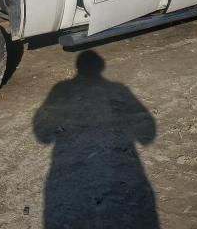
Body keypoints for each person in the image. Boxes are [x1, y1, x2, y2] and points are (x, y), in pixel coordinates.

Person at [33, 50, 159, 228]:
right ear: (101, 67)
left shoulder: (60, 89)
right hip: (114, 175)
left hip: (69, 177)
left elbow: (42, 134)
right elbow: (148, 133)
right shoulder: (119, 89)